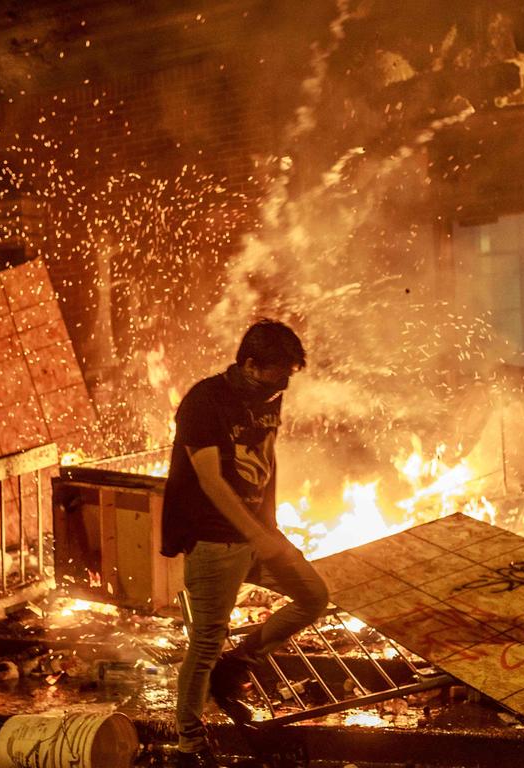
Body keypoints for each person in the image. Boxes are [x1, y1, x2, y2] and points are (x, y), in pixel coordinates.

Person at [161, 319, 329, 768]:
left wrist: (266, 525)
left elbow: (265, 458)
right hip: (216, 538)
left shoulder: (268, 397)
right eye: (281, 373)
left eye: (292, 375)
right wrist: (255, 533)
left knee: (314, 596)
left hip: (259, 533)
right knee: (205, 641)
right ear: (251, 364)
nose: (286, 384)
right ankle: (189, 745)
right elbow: (210, 478)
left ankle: (238, 664)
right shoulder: (205, 400)